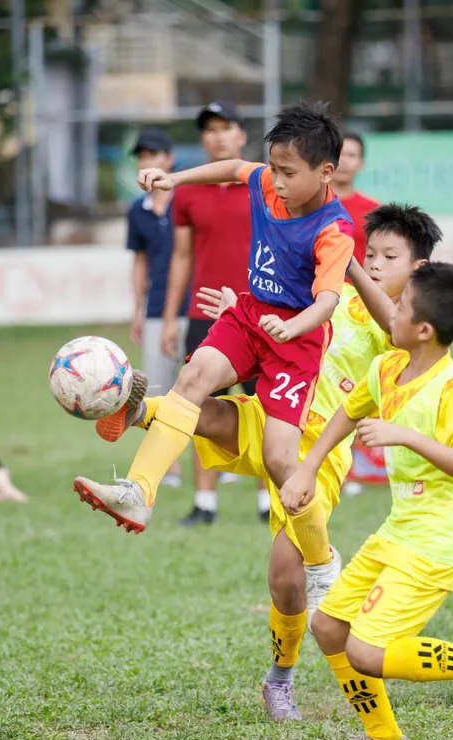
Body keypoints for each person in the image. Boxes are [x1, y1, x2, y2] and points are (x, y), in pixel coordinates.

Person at [89, 203, 443, 722]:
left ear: (416, 269)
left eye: (388, 256)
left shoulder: (405, 324)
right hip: (275, 415)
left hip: (317, 451)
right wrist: (248, 310)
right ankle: (135, 409)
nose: (372, 262)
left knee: (285, 579)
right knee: (207, 414)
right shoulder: (329, 295)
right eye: (369, 253)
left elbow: (393, 333)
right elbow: (280, 327)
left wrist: (349, 269)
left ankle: (280, 677)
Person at [280, 262, 453, 740]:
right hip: (399, 529)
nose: (389, 310)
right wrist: (307, 468)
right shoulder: (386, 367)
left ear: (424, 330)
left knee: (367, 652)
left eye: (399, 307)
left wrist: (407, 436)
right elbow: (348, 411)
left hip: (438, 540)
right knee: (329, 626)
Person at [73, 102, 355, 543]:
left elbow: (328, 301)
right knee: (192, 378)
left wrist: (295, 326)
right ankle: (138, 492)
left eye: (288, 172)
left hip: (296, 341)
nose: (275, 181)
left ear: (324, 172)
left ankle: (319, 557)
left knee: (279, 458)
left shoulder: (334, 229)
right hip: (248, 315)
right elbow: (235, 167)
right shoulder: (266, 182)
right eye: (274, 168)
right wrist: (176, 179)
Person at [169, 101, 267, 525]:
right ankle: (204, 503)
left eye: (227, 127)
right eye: (210, 129)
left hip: (259, 310)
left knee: (267, 405)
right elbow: (181, 256)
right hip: (204, 311)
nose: (219, 136)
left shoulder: (264, 183)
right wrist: (173, 314)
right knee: (199, 405)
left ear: (242, 135)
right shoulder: (187, 191)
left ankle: (269, 501)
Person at [124, 128, 186, 489]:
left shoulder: (189, 201)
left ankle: (222, 465)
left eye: (154, 154)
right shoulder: (138, 211)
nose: (147, 161)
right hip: (155, 308)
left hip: (194, 306)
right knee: (157, 389)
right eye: (142, 155)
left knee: (204, 389)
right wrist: (136, 310)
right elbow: (139, 263)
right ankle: (170, 470)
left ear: (169, 159)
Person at [330, 131, 379, 265]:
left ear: (361, 163)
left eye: (351, 155)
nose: (343, 160)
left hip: (358, 286)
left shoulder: (374, 210)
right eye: (339, 154)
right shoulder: (308, 205)